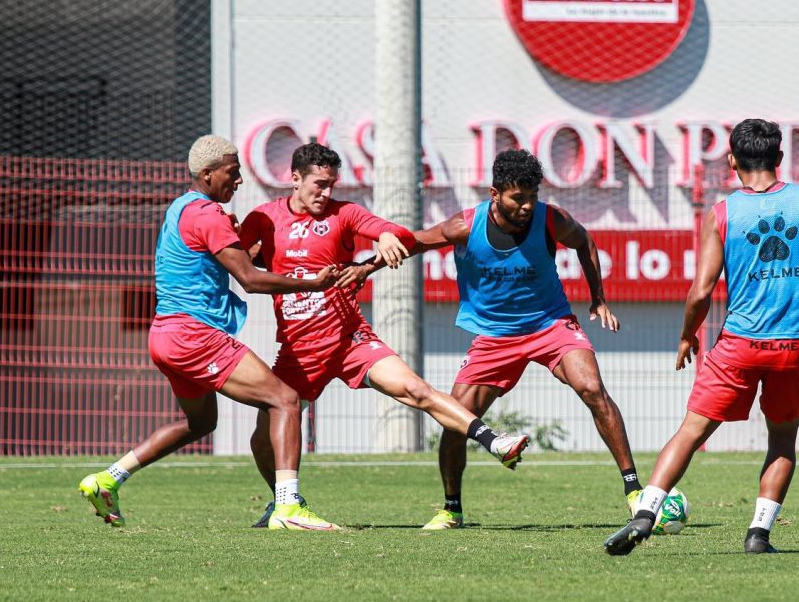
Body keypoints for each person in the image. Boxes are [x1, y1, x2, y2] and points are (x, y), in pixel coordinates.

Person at [604, 118, 799, 556]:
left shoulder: (722, 215)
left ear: (732, 161)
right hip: (794, 346)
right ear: (779, 158)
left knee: (691, 431)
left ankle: (646, 512)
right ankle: (758, 534)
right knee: (782, 440)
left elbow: (701, 291)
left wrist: (687, 336)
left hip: (739, 345)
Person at [238, 143, 531, 528]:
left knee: (416, 390)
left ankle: (495, 441)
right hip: (298, 350)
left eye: (331, 184)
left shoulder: (343, 213)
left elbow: (392, 230)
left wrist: (390, 237)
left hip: (349, 339)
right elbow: (237, 258)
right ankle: (284, 502)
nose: (326, 192)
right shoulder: (263, 218)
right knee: (261, 440)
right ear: (295, 179)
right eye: (319, 184)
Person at [78, 135, 346, 531]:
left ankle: (108, 479)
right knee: (286, 401)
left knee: (200, 424)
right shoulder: (209, 215)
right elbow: (250, 279)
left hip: (165, 335)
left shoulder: (181, 207)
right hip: (195, 335)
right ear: (207, 173)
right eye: (232, 173)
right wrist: (312, 284)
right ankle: (288, 507)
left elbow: (222, 259)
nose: (238, 180)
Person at [396, 148, 640, 530]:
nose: (527, 206)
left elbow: (584, 241)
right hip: (495, 336)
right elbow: (413, 243)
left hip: (551, 324)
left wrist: (598, 298)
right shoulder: (465, 225)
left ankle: (635, 491)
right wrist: (366, 266)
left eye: (533, 196)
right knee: (456, 421)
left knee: (593, 388)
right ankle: (451, 509)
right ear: (495, 194)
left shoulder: (550, 219)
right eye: (518, 198)